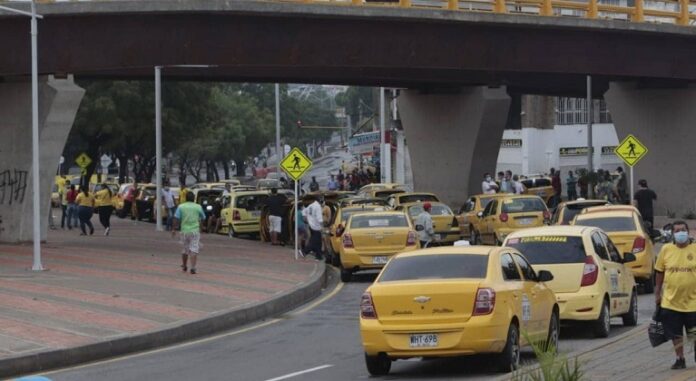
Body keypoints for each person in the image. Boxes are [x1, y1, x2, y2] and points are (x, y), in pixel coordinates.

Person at [654, 220, 696, 370]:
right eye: (677, 231)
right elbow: (659, 272)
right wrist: (657, 292)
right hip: (671, 301)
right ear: (673, 234)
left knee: (694, 333)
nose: (680, 233)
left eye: (683, 230)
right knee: (676, 334)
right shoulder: (666, 250)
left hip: (693, 302)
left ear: (688, 232)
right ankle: (680, 358)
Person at [172, 192, 206, 275]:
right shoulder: (198, 207)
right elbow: (203, 217)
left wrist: (174, 229)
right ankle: (193, 267)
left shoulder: (181, 206)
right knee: (194, 249)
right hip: (195, 231)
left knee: (185, 249)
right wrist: (201, 227)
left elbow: (176, 218)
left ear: (186, 198)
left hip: (184, 231)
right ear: (194, 198)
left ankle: (184, 265)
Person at [301, 195, 324, 260]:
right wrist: (322, 227)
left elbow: (304, 213)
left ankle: (319, 256)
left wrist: (307, 221)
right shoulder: (317, 206)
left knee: (318, 242)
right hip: (317, 226)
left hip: (311, 226)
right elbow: (319, 218)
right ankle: (305, 251)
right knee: (314, 241)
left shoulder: (310, 206)